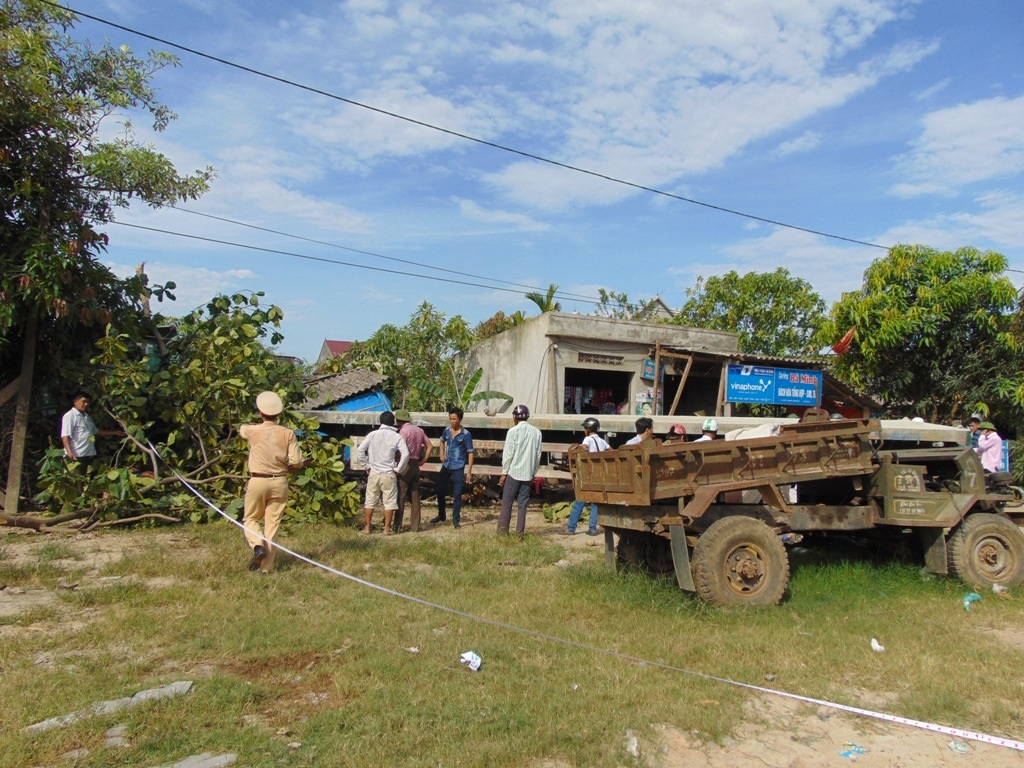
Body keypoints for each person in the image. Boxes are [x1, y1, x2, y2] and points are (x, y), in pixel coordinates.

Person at [240, 391, 307, 573]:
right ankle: (266, 568)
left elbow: (242, 430)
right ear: (279, 414)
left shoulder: (253, 431)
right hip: (279, 481)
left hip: (258, 479)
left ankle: (257, 545)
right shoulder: (288, 433)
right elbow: (297, 462)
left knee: (251, 518)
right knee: (273, 524)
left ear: (261, 412)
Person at [356, 411, 410, 534]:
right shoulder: (396, 436)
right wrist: (398, 469)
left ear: (380, 422)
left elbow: (360, 450)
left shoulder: (372, 434)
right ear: (393, 422)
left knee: (370, 501)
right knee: (389, 502)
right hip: (388, 473)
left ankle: (367, 528)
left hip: (374, 472)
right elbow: (405, 453)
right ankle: (387, 529)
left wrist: (366, 465)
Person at [497, 404, 543, 536]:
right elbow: (538, 455)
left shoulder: (512, 432)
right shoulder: (537, 432)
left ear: (515, 417)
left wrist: (504, 472)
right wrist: (533, 471)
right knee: (523, 505)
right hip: (528, 474)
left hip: (513, 473)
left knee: (507, 503)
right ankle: (519, 533)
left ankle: (502, 531)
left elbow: (508, 454)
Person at [562, 417, 610, 536]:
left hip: (588, 475)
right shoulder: (602, 441)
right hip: (599, 475)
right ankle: (592, 529)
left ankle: (571, 528)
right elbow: (611, 450)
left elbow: (583, 449)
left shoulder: (587, 439)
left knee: (580, 500)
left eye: (585, 428)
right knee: (595, 502)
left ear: (588, 429)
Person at [431, 406, 474, 528]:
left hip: (458, 466)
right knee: (439, 490)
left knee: (457, 494)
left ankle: (456, 520)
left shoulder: (466, 434)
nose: (452, 421)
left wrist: (469, 471)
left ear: (460, 419)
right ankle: (441, 515)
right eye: (450, 418)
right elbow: (441, 441)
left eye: (454, 419)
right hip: (446, 465)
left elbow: (470, 452)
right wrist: (441, 453)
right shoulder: (447, 431)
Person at [393, 409, 433, 532]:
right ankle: (415, 526)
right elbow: (430, 445)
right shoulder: (419, 430)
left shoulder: (403, 431)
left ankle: (397, 526)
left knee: (401, 496)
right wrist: (423, 460)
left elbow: (401, 449)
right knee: (415, 496)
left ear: (399, 420)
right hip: (416, 464)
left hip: (405, 464)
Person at [60, 390, 123, 467]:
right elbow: (65, 435)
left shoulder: (87, 417)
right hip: (76, 454)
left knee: (83, 477)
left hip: (86, 453)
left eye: (88, 402)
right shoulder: (70, 416)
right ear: (75, 401)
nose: (86, 404)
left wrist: (115, 433)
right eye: (83, 402)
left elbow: (95, 431)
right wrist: (69, 452)